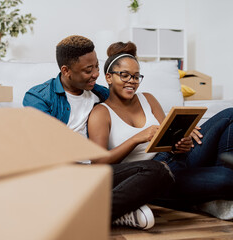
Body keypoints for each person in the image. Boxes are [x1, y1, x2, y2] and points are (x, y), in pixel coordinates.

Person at [23, 35, 174, 230]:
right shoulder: (38, 98)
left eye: (96, 66)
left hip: (98, 173)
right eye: (88, 70)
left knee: (157, 170)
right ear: (66, 71)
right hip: (64, 176)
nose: (96, 74)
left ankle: (96, 213)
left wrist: (175, 126)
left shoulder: (99, 93)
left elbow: (126, 103)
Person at [87, 41, 233, 220]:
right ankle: (207, 194)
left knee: (230, 115)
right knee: (227, 178)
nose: (131, 82)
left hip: (179, 157)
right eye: (124, 75)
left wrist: (182, 142)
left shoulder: (148, 99)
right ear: (109, 77)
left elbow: (168, 137)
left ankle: (212, 196)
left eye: (136, 76)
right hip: (157, 174)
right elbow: (99, 164)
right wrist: (136, 138)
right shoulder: (101, 113)